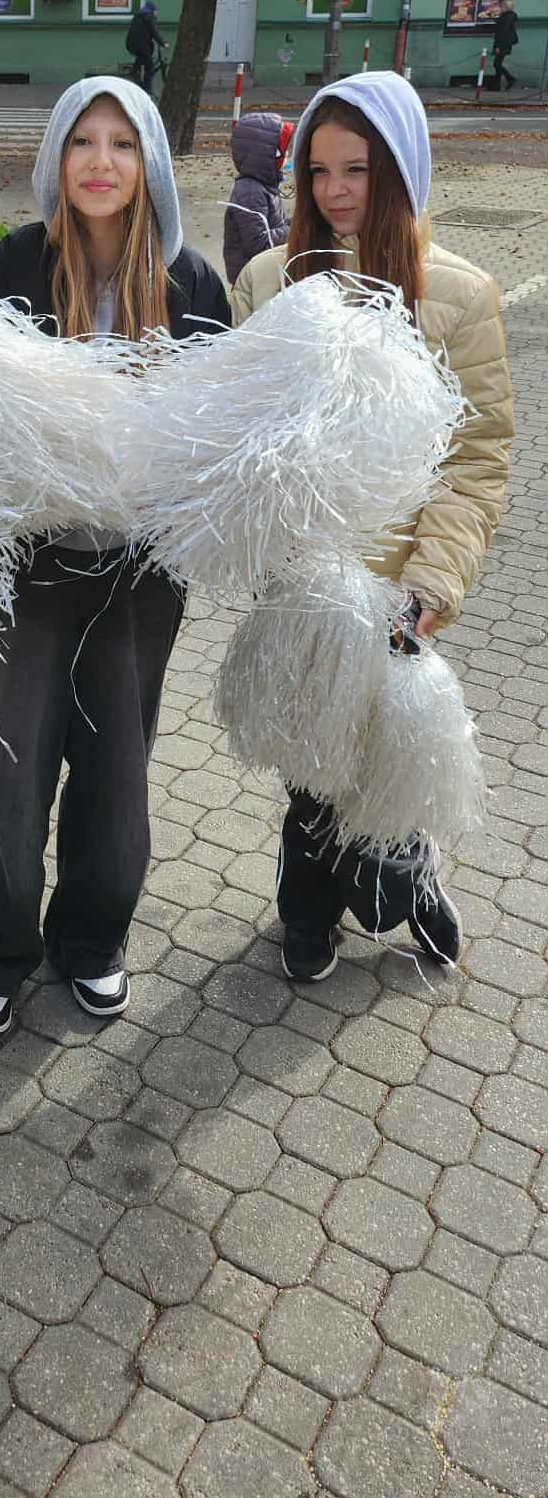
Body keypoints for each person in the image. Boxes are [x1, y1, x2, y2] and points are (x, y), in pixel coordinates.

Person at [0, 76, 231, 1037]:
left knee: (116, 761)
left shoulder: (191, 281)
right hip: (29, 565)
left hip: (139, 574)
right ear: (55, 158)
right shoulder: (16, 262)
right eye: (81, 141)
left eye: (121, 142)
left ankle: (92, 941)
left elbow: (211, 436)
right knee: (12, 759)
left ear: (150, 161)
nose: (99, 162)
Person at [232, 70, 513, 982]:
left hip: (398, 594)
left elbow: (476, 457)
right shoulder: (269, 281)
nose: (335, 191)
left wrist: (429, 585)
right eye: (317, 171)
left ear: (401, 170)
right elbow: (238, 435)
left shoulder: (458, 294)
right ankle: (306, 910)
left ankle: (403, 881)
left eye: (356, 169)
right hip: (302, 591)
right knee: (312, 767)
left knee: (387, 764)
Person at [222, 111, 293, 286]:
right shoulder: (250, 191)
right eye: (283, 150)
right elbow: (259, 243)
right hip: (251, 280)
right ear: (267, 155)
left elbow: (275, 225)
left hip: (263, 273)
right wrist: (293, 229)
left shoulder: (265, 184)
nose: (288, 154)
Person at [124, 2, 166, 94]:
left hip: (132, 45)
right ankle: (147, 89)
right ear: (152, 10)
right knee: (150, 66)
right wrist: (163, 43)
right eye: (156, 11)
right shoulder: (149, 17)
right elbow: (154, 32)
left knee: (141, 59)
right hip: (141, 46)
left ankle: (134, 75)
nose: (157, 13)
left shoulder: (138, 16)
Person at [492, 0, 518, 90]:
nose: (500, 8)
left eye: (502, 6)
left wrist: (498, 46)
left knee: (497, 64)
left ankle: (510, 79)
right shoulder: (507, 16)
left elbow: (503, 32)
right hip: (505, 43)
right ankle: (496, 85)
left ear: (507, 7)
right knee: (497, 64)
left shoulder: (508, 17)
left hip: (503, 44)